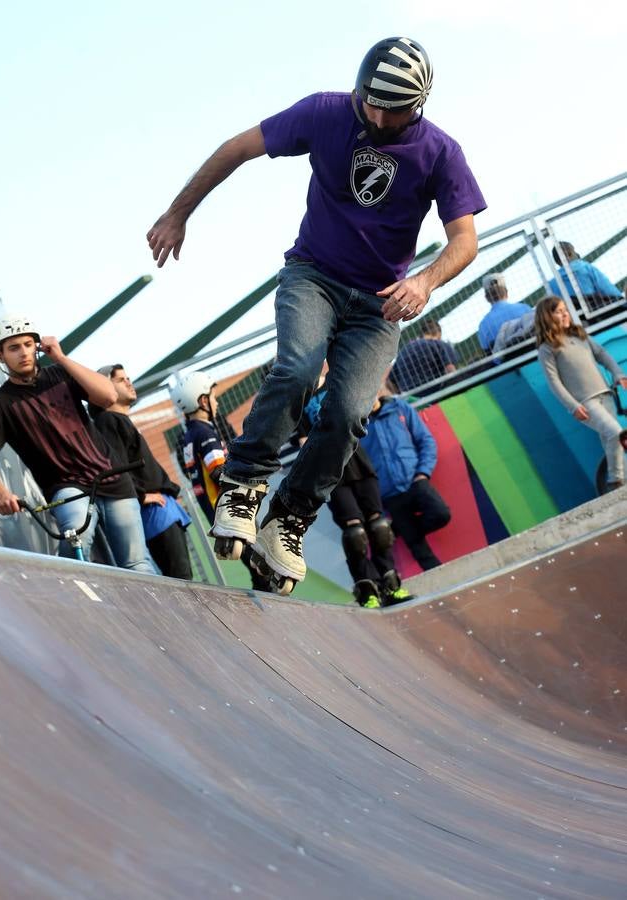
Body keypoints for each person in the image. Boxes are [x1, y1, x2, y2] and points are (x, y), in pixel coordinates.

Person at [148, 36, 485, 590]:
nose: (375, 115)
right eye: (369, 101)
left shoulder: (441, 153)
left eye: (391, 109)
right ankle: (244, 485)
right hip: (313, 277)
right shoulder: (328, 110)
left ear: (418, 104)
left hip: (380, 305)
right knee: (299, 369)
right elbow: (237, 147)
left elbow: (465, 238)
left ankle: (289, 520)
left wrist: (424, 281)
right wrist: (177, 212)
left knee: (352, 410)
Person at [0, 315, 156, 573]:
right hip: (68, 488)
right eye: (13, 348)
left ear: (36, 347)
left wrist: (61, 358)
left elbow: (109, 395)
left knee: (137, 563)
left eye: (27, 344)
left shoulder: (61, 373)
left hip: (114, 481)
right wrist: (0, 493)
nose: (23, 352)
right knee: (76, 553)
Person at [300, 378, 412, 608]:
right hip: (329, 472)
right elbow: (301, 441)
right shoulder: (297, 399)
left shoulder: (338, 378)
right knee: (355, 532)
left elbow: (368, 404)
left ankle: (391, 585)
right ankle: (367, 589)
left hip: (358, 460)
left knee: (379, 525)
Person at [90, 364, 193, 580]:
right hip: (152, 511)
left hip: (161, 508)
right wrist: (143, 495)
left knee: (182, 577)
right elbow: (111, 467)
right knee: (180, 579)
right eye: (120, 380)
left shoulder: (118, 420)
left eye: (128, 377)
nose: (129, 382)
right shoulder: (107, 421)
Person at [171, 371, 271, 591]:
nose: (216, 402)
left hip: (217, 508)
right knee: (260, 563)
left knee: (252, 561)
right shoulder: (204, 432)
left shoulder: (189, 435)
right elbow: (218, 471)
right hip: (230, 507)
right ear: (203, 401)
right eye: (213, 398)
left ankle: (262, 597)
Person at [535, 295, 627, 491]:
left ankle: (622, 485)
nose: (565, 314)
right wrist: (573, 406)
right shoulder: (547, 349)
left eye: (565, 310)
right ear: (547, 318)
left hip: (605, 394)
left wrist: (617, 373)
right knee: (615, 433)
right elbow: (554, 382)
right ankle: (615, 481)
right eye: (558, 312)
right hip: (586, 403)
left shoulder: (579, 335)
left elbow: (601, 354)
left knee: (610, 440)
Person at [362, 393, 451, 570]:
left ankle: (398, 530)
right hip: (388, 494)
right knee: (419, 551)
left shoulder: (400, 408)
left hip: (415, 481)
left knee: (441, 513)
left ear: (378, 391)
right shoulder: (357, 425)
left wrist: (423, 473)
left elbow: (425, 440)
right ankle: (442, 581)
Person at [547, 241, 624, 313]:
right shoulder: (585, 267)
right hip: (601, 312)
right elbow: (607, 289)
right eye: (574, 251)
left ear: (557, 262)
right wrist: (623, 303)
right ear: (569, 254)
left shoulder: (552, 284)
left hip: (578, 321)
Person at [388, 316, 457, 395]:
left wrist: (402, 395)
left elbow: (390, 382)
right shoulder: (440, 345)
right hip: (437, 395)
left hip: (413, 400)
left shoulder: (404, 350)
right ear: (438, 334)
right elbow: (450, 370)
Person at [478, 273, 532, 354]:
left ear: (487, 298)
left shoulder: (483, 325)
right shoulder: (525, 308)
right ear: (506, 292)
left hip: (507, 364)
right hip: (533, 355)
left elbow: (487, 351)